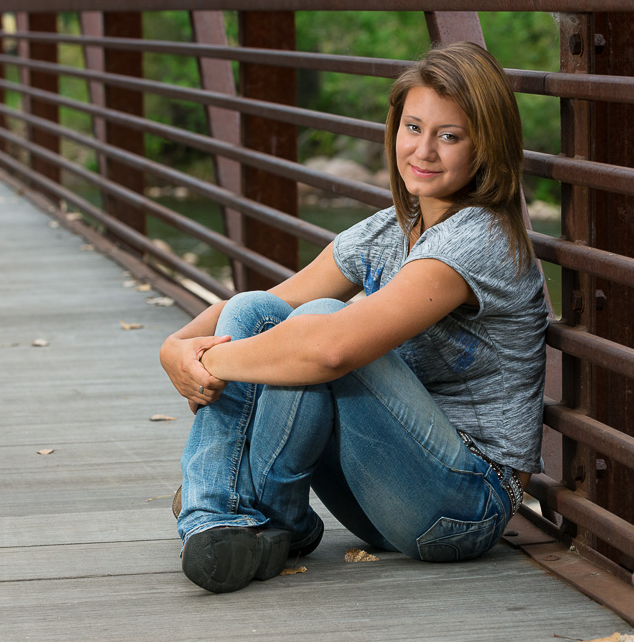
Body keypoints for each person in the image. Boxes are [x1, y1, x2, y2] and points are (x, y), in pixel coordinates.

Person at [159, 41, 548, 594]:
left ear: (486, 147)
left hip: (465, 505)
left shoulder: (478, 240)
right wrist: (174, 348)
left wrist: (211, 362)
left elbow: (332, 349)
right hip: (382, 499)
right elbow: (261, 307)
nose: (424, 150)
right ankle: (246, 518)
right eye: (413, 128)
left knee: (321, 324)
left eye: (450, 136)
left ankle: (223, 507)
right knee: (256, 309)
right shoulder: (390, 230)